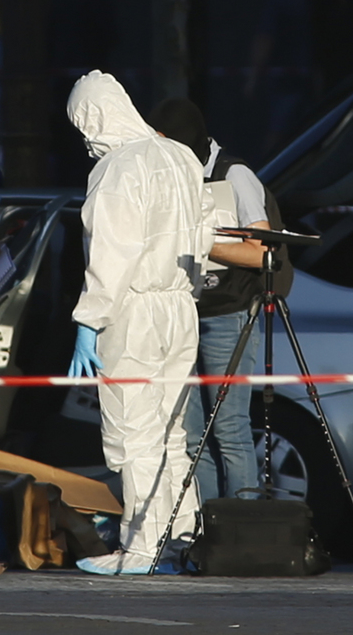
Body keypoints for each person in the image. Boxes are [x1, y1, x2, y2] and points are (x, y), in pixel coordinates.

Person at [65, 71, 215, 575]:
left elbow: (111, 254)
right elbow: (205, 234)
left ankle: (142, 547)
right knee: (173, 432)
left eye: (83, 124)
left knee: (137, 434)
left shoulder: (118, 169)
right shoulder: (182, 158)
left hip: (134, 310)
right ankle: (184, 537)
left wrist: (89, 319)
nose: (85, 137)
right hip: (181, 306)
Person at [148, 97, 285, 503]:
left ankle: (242, 525)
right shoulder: (170, 174)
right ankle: (209, 530)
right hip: (182, 312)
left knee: (228, 428)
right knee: (191, 434)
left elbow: (264, 252)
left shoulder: (233, 174)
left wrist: (201, 242)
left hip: (227, 313)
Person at [48, 0, 118, 186]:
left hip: (61, 77)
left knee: (65, 136)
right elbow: (108, 34)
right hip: (91, 75)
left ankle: (65, 180)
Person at [245, 0, 313, 159]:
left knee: (277, 131)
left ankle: (271, 175)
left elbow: (265, 39)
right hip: (307, 77)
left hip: (285, 82)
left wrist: (253, 78)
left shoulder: (278, 1)